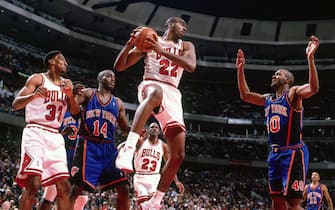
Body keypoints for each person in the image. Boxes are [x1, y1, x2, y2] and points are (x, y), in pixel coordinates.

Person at [114, 16, 196, 209]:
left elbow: (191, 66)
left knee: (178, 155)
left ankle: (155, 201)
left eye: (185, 25)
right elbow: (120, 66)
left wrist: (161, 51)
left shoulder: (187, 46)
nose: (184, 27)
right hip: (151, 85)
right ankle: (128, 150)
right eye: (180, 23)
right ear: (169, 24)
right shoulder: (151, 39)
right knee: (156, 92)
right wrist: (129, 45)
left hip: (173, 94)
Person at [235, 35, 320, 210]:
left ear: (287, 80)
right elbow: (245, 95)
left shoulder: (293, 94)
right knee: (277, 202)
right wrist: (240, 70)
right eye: (274, 74)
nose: (274, 75)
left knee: (293, 203)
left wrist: (310, 59)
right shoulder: (268, 99)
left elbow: (313, 88)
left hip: (293, 152)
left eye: (278, 74)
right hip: (274, 154)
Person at [12, 50, 80, 210]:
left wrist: (70, 95)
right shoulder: (37, 78)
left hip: (55, 136)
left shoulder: (66, 85)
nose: (66, 63)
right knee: (34, 184)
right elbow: (15, 104)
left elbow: (76, 113)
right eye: (62, 60)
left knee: (65, 187)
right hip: (35, 131)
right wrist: (33, 96)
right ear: (51, 61)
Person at [69, 69, 130, 210]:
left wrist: (137, 131)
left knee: (124, 188)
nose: (113, 79)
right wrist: (71, 95)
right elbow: (73, 110)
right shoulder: (89, 93)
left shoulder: (118, 103)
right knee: (76, 188)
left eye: (114, 77)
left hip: (109, 148)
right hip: (88, 144)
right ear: (100, 79)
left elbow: (125, 128)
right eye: (109, 76)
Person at [39, 83, 88, 210]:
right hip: (61, 153)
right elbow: (49, 133)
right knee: (51, 193)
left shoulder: (87, 113)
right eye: (79, 94)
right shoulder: (62, 110)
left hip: (79, 157)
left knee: (81, 197)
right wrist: (62, 133)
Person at [119, 122, 185, 207]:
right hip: (140, 177)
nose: (154, 128)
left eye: (156, 127)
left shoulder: (163, 146)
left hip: (154, 178)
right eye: (152, 127)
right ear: (148, 130)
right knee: (143, 204)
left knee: (154, 205)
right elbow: (127, 145)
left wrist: (176, 181)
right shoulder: (141, 141)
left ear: (159, 132)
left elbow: (170, 166)